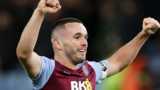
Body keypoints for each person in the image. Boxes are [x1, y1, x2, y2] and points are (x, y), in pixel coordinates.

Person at [16, 0, 160, 90]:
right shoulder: (47, 70)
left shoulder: (90, 70)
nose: (84, 42)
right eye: (77, 37)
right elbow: (24, 53)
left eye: (85, 37)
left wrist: (144, 34)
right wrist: (40, 12)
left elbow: (117, 62)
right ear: (58, 44)